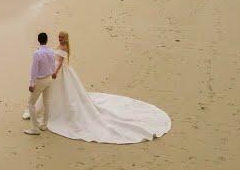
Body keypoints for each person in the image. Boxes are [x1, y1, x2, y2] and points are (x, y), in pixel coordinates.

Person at [24, 31, 171, 143]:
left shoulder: (53, 50)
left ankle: (40, 123)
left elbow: (59, 62)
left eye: (62, 38)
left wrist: (53, 72)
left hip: (55, 73)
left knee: (53, 96)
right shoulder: (52, 49)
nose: (60, 40)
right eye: (59, 38)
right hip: (52, 74)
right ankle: (45, 120)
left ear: (65, 39)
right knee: (50, 97)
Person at [24, 32, 56, 135]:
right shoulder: (51, 51)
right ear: (46, 40)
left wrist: (31, 83)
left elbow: (34, 70)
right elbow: (53, 66)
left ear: (38, 40)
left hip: (40, 81)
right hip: (49, 79)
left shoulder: (37, 53)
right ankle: (44, 125)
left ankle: (35, 128)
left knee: (31, 104)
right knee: (46, 102)